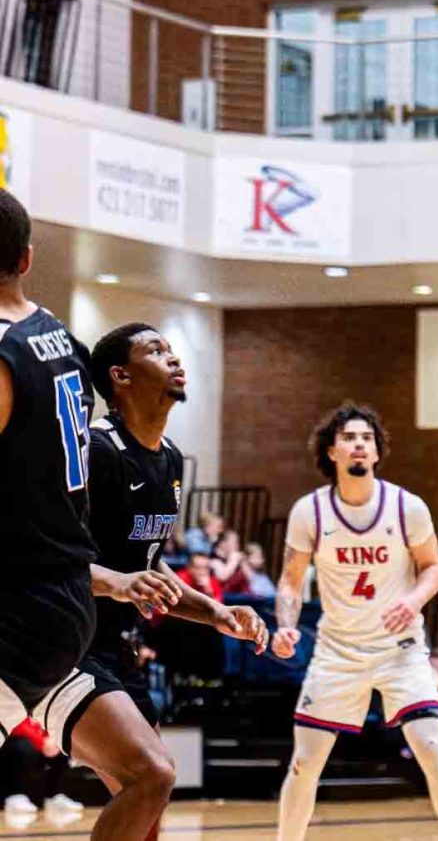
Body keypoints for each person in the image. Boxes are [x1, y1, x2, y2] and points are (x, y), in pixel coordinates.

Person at [0, 189, 188, 841]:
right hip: (68, 611)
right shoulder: (61, 344)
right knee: (148, 778)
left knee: (148, 779)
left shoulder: (7, 352)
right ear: (26, 258)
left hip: (22, 603)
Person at [75, 322, 269, 840]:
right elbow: (55, 560)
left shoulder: (171, 460)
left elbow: (150, 563)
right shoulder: (96, 452)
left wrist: (217, 613)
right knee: (153, 776)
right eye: (156, 351)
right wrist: (118, 582)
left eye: (172, 349)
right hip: (65, 644)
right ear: (120, 376)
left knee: (147, 812)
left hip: (116, 647)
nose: (174, 359)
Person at [271, 402, 438, 841]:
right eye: (349, 438)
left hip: (398, 649)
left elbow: (433, 567)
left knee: (432, 747)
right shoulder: (311, 512)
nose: (359, 445)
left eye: (366, 438)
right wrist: (285, 624)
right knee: (304, 763)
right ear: (330, 451)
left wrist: (414, 600)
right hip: (337, 651)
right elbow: (289, 583)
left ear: (377, 452)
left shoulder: (407, 507)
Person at [0, 718, 79, 820]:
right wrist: (41, 742)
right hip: (10, 743)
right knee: (21, 747)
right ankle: (16, 796)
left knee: (61, 747)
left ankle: (55, 795)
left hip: (37, 742)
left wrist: (52, 739)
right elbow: (14, 726)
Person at [211, 529, 251, 594]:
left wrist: (243, 563)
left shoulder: (236, 559)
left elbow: (250, 579)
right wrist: (233, 560)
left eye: (237, 543)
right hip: (223, 597)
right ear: (222, 543)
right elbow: (223, 577)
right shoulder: (214, 559)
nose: (237, 545)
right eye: (234, 542)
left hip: (241, 596)